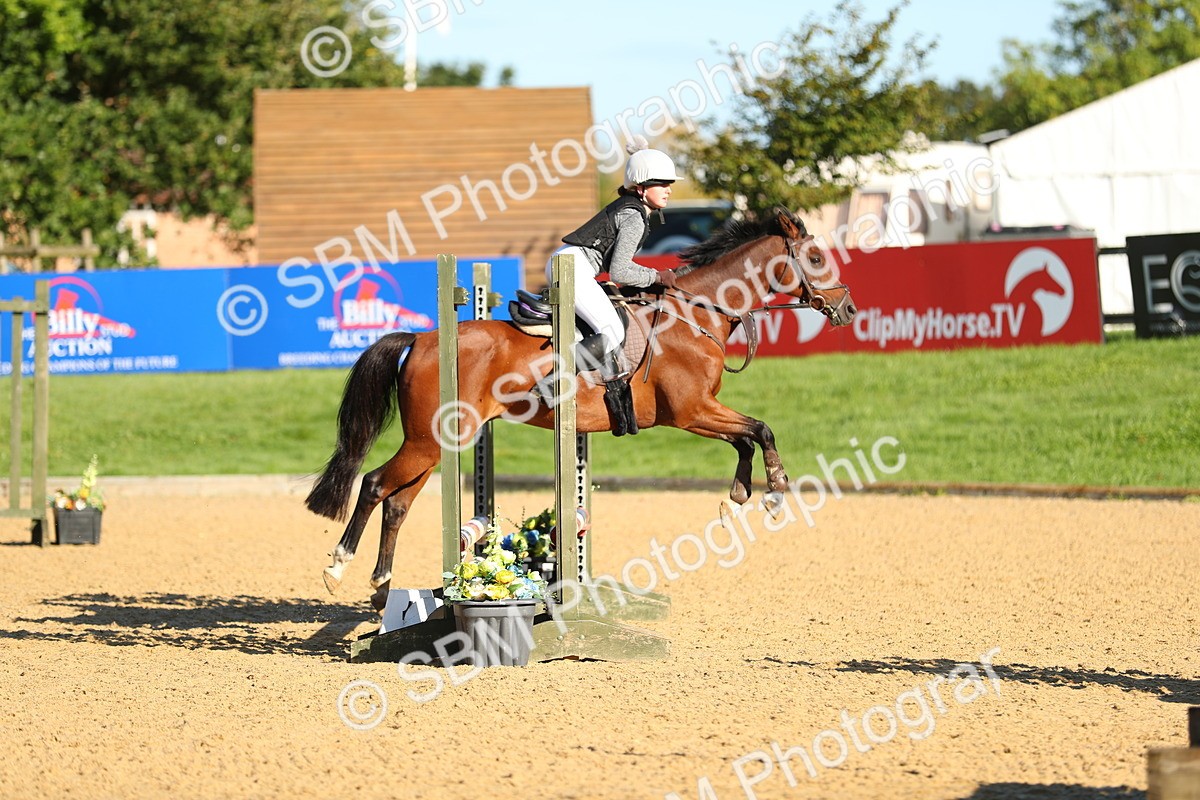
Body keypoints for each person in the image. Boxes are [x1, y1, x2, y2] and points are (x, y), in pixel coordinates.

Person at [545, 140, 681, 437]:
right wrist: (658, 277)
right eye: (662, 184)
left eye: (669, 183)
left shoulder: (632, 208)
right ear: (642, 187)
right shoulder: (635, 215)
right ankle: (554, 380)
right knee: (613, 331)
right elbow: (620, 270)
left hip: (570, 264)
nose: (668, 189)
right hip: (573, 268)